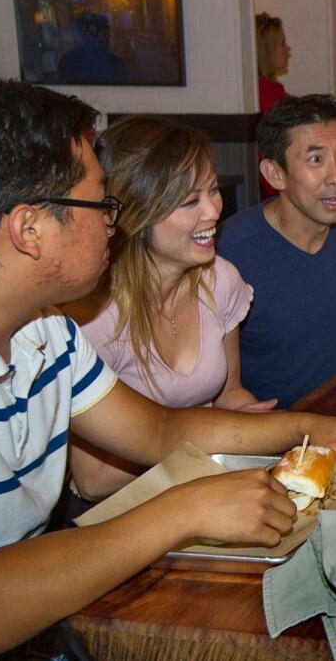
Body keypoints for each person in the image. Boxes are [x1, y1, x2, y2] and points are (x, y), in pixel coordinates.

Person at [0, 76, 336, 659]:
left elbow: (162, 431)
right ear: (29, 230)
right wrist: (187, 508)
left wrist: (320, 429)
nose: (113, 223)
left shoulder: (45, 330)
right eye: (101, 203)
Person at [64, 116, 277, 503]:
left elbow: (229, 396)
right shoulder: (95, 316)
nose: (213, 211)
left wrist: (260, 426)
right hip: (114, 511)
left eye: (213, 191)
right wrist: (217, 434)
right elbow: (92, 479)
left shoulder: (220, 279)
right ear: (138, 214)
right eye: (189, 201)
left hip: (197, 485)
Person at [217, 94, 336, 408]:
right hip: (260, 434)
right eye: (316, 160)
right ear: (275, 174)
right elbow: (226, 395)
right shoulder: (230, 251)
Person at [256, 12, 292, 201]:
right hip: (272, 182)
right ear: (266, 50)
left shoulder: (273, 90)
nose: (288, 49)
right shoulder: (264, 93)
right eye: (281, 43)